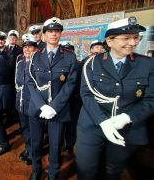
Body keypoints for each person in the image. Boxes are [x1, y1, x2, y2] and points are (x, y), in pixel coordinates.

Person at [76, 17, 154, 180]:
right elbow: (87, 93)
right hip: (93, 123)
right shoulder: (92, 63)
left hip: (127, 126)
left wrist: (127, 117)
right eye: (126, 38)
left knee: (113, 169)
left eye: (136, 37)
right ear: (109, 41)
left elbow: (150, 99)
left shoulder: (147, 64)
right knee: (86, 168)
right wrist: (102, 121)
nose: (133, 42)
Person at [27, 17, 77, 180]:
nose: (54, 34)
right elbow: (30, 82)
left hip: (59, 110)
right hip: (37, 108)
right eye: (50, 31)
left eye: (57, 31)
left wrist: (53, 106)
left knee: (55, 146)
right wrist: (42, 106)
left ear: (61, 34)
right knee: (35, 142)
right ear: (44, 34)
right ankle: (36, 168)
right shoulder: (35, 56)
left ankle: (54, 173)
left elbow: (71, 83)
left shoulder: (69, 57)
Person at [15, 33, 37, 166]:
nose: (27, 50)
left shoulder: (39, 63)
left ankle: (34, 153)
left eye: (30, 47)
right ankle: (28, 148)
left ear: (35, 49)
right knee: (24, 128)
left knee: (34, 130)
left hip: (33, 103)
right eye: (25, 47)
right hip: (21, 102)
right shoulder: (20, 62)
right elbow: (17, 82)